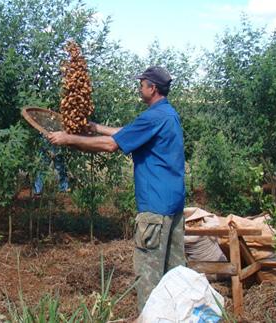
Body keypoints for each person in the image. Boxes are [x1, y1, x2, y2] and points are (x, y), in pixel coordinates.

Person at [47, 66, 186, 312]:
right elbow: (128, 134)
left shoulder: (153, 116)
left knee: (149, 278)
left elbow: (112, 145)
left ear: (152, 88)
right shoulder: (167, 114)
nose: (139, 88)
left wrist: (69, 139)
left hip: (154, 209)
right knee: (175, 275)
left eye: (141, 84)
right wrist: (96, 127)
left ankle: (151, 317)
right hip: (173, 207)